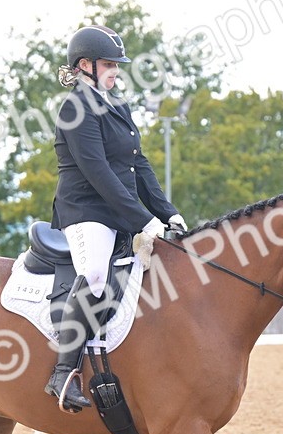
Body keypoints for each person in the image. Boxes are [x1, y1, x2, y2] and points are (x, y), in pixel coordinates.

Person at [44, 24, 187, 412]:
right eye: (108, 64)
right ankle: (62, 374)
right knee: (94, 276)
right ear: (84, 65)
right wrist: (143, 220)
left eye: (116, 65)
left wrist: (168, 213)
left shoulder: (116, 105)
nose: (115, 71)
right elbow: (99, 173)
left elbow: (139, 166)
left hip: (118, 213)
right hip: (86, 211)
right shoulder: (75, 109)